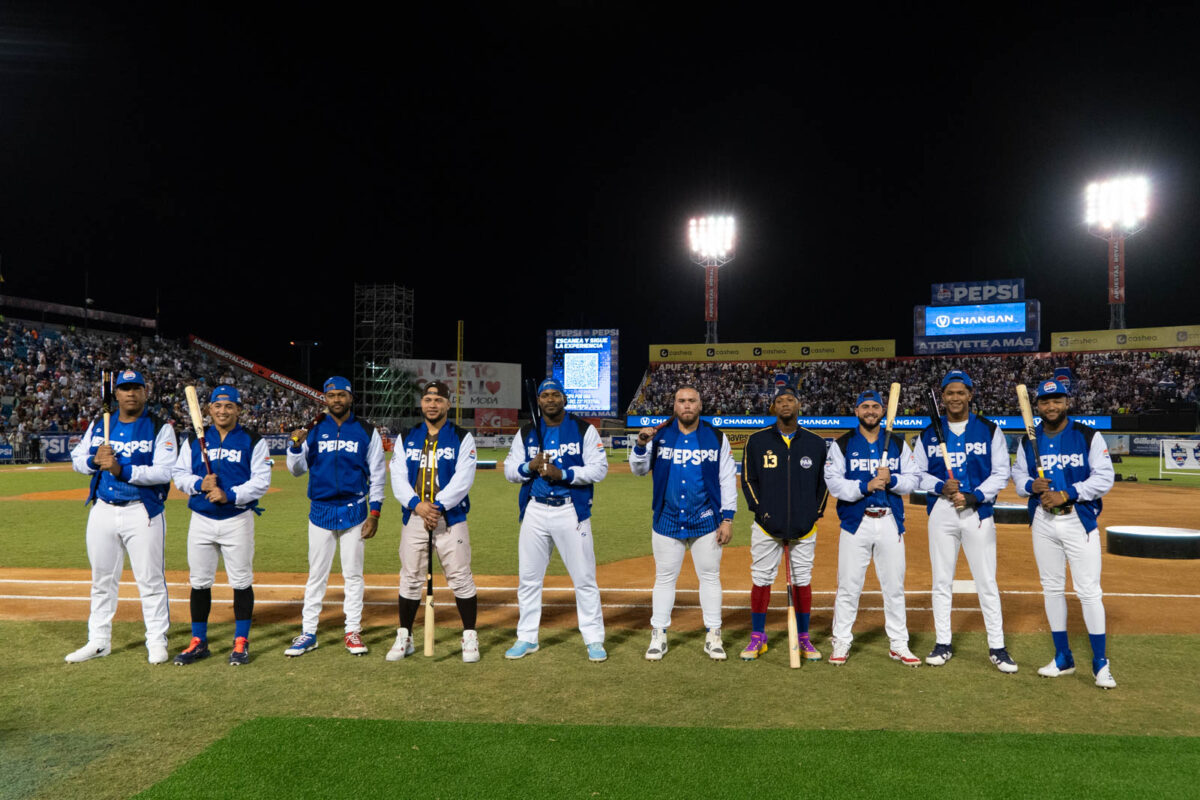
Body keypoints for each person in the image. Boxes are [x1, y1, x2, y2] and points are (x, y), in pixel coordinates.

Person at [66, 369, 177, 664]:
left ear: (145, 392)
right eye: (125, 388)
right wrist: (94, 460)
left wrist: (120, 470)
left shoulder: (159, 427)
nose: (130, 393)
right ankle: (99, 640)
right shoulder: (100, 425)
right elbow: (77, 460)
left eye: (136, 388)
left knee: (151, 581)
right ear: (115, 394)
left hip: (143, 511)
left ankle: (156, 640)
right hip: (103, 509)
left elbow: (165, 472)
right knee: (102, 580)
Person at [1013, 379, 1117, 689]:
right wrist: (1031, 486)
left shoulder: (1087, 435)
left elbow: (1104, 479)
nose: (1050, 406)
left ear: (1066, 402)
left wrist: (1067, 493)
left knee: (1088, 591)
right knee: (1052, 588)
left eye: (1056, 400)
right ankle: (1063, 658)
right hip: (1043, 523)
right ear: (1038, 406)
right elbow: (1019, 476)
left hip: (1078, 521)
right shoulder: (1028, 439)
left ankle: (1101, 664)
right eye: (1044, 402)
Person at [913, 370, 1017, 672]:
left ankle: (997, 647)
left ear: (970, 395)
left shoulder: (988, 430)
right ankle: (942, 642)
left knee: (986, 581)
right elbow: (917, 472)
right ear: (942, 397)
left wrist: (974, 496)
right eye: (950, 393)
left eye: (960, 392)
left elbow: (1001, 473)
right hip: (942, 511)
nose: (955, 398)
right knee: (941, 580)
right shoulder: (928, 432)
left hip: (978, 513)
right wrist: (939, 486)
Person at [503, 378, 609, 662]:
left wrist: (564, 474)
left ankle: (594, 639)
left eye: (555, 395)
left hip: (570, 510)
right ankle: (526, 637)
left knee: (585, 579)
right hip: (535, 510)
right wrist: (529, 466)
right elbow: (510, 470)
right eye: (545, 396)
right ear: (538, 401)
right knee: (528, 579)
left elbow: (599, 469)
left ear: (564, 399)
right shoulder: (526, 432)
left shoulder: (584, 429)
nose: (550, 400)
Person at [629, 385, 736, 661]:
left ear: (700, 405)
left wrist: (727, 518)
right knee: (664, 578)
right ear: (674, 405)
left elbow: (726, 479)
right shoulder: (659, 435)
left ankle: (714, 635)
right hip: (666, 519)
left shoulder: (715, 436)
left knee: (710, 577)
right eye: (681, 401)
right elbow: (638, 470)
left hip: (706, 521)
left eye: (692, 401)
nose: (686, 405)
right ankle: (658, 635)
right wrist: (640, 445)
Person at [284, 376, 385, 657]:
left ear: (350, 398)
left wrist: (375, 513)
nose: (337, 400)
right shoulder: (313, 429)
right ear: (325, 399)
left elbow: (377, 475)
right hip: (321, 509)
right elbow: (296, 470)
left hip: (355, 510)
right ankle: (308, 633)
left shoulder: (366, 430)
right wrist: (294, 447)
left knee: (353, 575)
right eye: (331, 396)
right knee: (317, 574)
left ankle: (352, 630)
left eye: (342, 395)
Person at [171, 385, 272, 666]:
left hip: (237, 519)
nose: (223, 411)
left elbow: (261, 481)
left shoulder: (253, 440)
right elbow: (179, 475)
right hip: (201, 519)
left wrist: (231, 495)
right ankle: (198, 641)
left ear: (238, 409)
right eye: (218, 406)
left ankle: (241, 641)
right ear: (209, 410)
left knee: (241, 582)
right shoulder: (195, 439)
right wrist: (197, 484)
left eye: (229, 406)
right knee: (200, 583)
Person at [823, 388, 920, 667]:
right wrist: (865, 486)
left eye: (875, 407)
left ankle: (899, 644)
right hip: (856, 523)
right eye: (864, 406)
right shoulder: (842, 445)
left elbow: (913, 480)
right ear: (856, 411)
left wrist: (892, 481)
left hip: (890, 521)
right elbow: (834, 483)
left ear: (882, 412)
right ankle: (841, 640)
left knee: (894, 587)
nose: (870, 411)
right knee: (848, 587)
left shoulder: (899, 444)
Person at [388, 381, 480, 663]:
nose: (432, 404)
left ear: (447, 404)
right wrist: (417, 505)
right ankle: (405, 635)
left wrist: (437, 507)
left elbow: (464, 479)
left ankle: (469, 637)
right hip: (415, 517)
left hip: (450, 518)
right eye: (428, 399)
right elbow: (397, 476)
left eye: (438, 399)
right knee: (410, 578)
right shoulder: (407, 436)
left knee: (461, 578)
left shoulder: (462, 437)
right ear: (422, 404)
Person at [738, 383, 829, 661]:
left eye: (790, 399)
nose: (785, 404)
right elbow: (747, 479)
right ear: (774, 407)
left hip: (805, 526)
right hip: (767, 524)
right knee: (761, 578)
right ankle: (758, 637)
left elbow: (824, 484)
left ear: (799, 404)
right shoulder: (757, 441)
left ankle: (803, 637)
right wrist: (760, 510)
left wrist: (814, 513)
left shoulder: (815, 443)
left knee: (803, 580)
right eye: (780, 400)